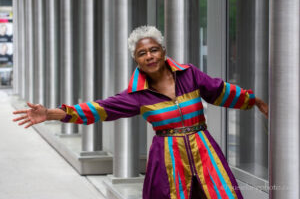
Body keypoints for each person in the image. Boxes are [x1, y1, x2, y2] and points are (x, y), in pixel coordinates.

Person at [13, 26, 268, 199]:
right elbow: (99, 109)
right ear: (136, 60)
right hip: (166, 158)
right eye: (142, 53)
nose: (149, 56)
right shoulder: (136, 95)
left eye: (153, 49)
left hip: (205, 151)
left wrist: (254, 100)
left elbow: (220, 91)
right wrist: (51, 114)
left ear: (163, 50)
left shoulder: (189, 74)